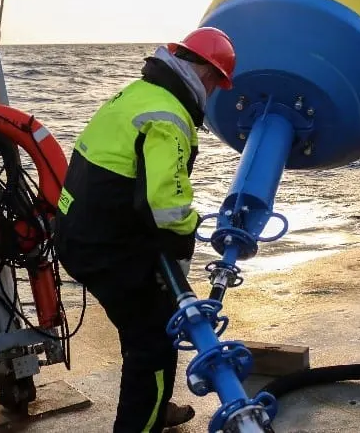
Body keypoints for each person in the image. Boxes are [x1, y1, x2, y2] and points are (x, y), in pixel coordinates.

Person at [54, 27, 236, 431]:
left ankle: (156, 404)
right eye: (216, 84)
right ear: (208, 75)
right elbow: (166, 205)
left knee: (154, 322)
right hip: (106, 248)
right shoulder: (169, 116)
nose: (213, 93)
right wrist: (183, 251)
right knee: (152, 341)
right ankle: (141, 422)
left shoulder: (140, 93)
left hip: (78, 231)